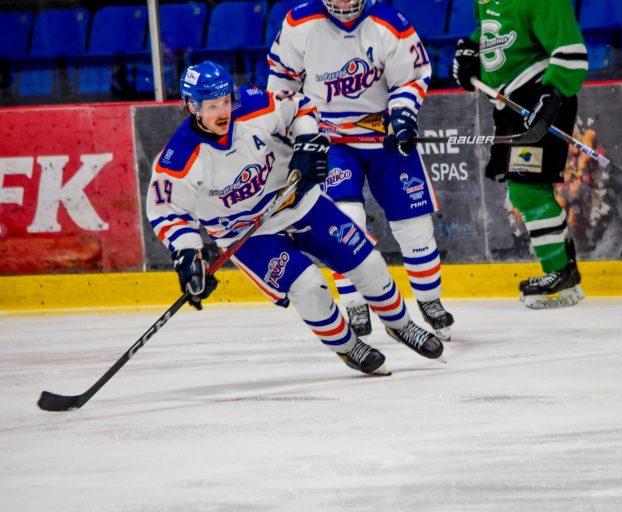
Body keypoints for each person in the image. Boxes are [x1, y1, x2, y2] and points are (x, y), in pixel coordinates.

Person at [146, 61, 444, 376]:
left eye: (225, 101)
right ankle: (348, 347)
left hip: (298, 202)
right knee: (309, 286)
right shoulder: (178, 158)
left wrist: (306, 144)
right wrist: (188, 254)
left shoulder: (254, 104)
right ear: (192, 106)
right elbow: (168, 211)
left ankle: (401, 324)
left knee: (366, 261)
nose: (223, 112)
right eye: (212, 106)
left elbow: (300, 107)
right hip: (248, 234)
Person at [265, 0, 455, 340]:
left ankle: (429, 299)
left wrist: (403, 115)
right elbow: (282, 83)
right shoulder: (299, 22)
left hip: (383, 136)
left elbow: (410, 80)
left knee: (414, 225)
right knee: (345, 221)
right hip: (330, 139)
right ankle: (355, 302)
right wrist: (287, 130)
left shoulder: (389, 23)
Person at [451, 0, 588, 309]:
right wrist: (472, 50)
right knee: (524, 189)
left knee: (527, 189)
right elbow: (493, 29)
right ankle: (565, 273)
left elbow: (571, 51)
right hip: (510, 104)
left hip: (539, 96)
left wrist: (552, 94)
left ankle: (558, 272)